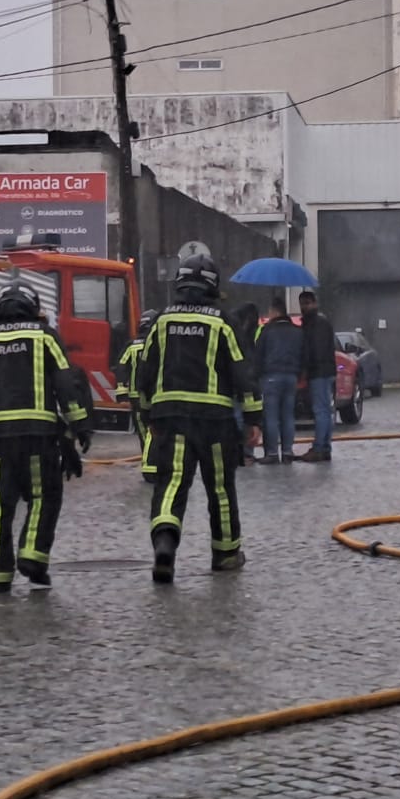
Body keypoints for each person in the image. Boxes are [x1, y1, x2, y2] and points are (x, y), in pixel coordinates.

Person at [134, 247, 262, 583]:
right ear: (211, 285)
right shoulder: (222, 322)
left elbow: (144, 372)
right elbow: (242, 372)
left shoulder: (162, 321)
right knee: (219, 488)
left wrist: (148, 415)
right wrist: (252, 419)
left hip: (171, 418)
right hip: (215, 421)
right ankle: (226, 554)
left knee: (172, 483)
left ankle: (165, 544)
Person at [0, 284, 90, 595]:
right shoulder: (44, 337)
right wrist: (79, 426)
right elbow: (66, 384)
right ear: (32, 306)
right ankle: (32, 554)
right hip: (38, 436)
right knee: (45, 496)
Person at [254, 296, 305, 463]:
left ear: (275, 312)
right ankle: (288, 451)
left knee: (271, 416)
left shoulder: (267, 331)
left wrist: (256, 375)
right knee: (288, 416)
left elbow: (259, 354)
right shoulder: (297, 331)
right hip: (291, 377)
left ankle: (272, 453)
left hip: (271, 376)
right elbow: (303, 354)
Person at [293, 290, 338, 462]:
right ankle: (324, 446)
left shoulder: (315, 323)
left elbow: (314, 350)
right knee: (325, 410)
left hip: (318, 372)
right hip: (326, 371)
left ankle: (320, 447)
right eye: (302, 304)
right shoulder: (321, 321)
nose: (303, 307)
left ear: (313, 303)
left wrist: (305, 369)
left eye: (305, 303)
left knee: (320, 410)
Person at [117, 309, 160, 481]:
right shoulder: (158, 343)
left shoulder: (131, 346)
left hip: (135, 398)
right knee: (155, 431)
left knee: (144, 433)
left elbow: (121, 367)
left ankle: (149, 463)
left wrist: (121, 393)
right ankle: (152, 467)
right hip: (155, 396)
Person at [228, 301, 260, 466]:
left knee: (242, 417)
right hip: (243, 382)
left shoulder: (237, 330)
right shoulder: (239, 334)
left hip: (243, 382)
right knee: (241, 417)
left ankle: (242, 453)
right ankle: (242, 453)